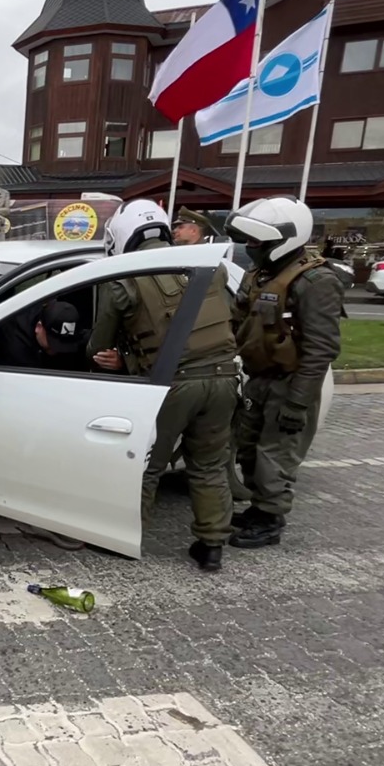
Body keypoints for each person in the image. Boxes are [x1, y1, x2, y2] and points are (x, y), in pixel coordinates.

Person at [87, 199, 240, 571]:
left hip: (171, 385)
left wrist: (127, 357)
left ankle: (124, 537)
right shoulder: (211, 266)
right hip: (223, 379)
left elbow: (97, 345)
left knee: (145, 465)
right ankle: (212, 545)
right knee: (208, 465)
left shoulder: (125, 277)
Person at [224, 196, 345, 549]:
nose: (251, 248)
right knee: (248, 450)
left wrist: (297, 402)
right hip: (260, 379)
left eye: (257, 242)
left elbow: (321, 347)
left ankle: (270, 518)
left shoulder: (316, 281)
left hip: (292, 383)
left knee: (274, 456)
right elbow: (238, 323)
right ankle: (259, 508)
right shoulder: (260, 275)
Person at [0, 300, 87, 371]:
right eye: (52, 342)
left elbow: (82, 337)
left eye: (63, 343)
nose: (57, 349)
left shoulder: (45, 313)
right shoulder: (18, 349)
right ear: (39, 327)